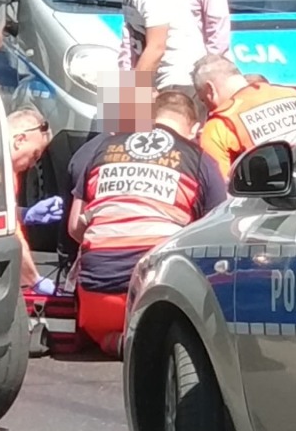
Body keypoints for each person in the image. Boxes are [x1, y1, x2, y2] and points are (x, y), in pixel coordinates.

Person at [66, 89, 225, 356]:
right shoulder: (199, 159)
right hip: (155, 298)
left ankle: (112, 339)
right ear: (195, 128)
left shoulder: (103, 148)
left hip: (97, 300)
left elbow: (74, 228)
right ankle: (143, 343)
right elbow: (217, 233)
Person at [193, 53, 296, 180]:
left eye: (203, 100)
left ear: (210, 89)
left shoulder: (220, 125)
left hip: (265, 190)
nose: (207, 108)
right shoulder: (292, 95)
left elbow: (218, 187)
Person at [8, 107, 52, 287]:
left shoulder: (9, 172)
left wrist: (25, 214)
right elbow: (11, 233)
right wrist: (34, 279)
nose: (33, 164)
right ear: (19, 140)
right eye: (35, 155)